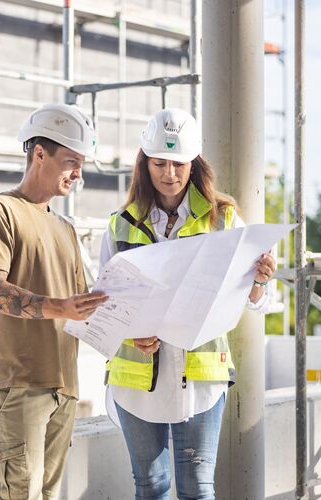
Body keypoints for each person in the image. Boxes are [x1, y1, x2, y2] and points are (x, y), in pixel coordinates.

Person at [99, 108, 276, 500]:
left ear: (194, 164)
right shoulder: (119, 225)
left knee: (198, 488)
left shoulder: (223, 220)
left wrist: (259, 283)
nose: (169, 173)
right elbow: (103, 304)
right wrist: (131, 333)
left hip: (201, 379)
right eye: (159, 163)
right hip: (136, 381)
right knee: (151, 487)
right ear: (144, 165)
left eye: (178, 164)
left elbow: (258, 302)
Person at [0, 103, 108, 500]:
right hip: (18, 382)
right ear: (39, 153)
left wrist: (131, 337)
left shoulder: (65, 227)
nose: (78, 174)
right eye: (70, 161)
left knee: (46, 496)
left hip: (63, 384)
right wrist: (58, 308)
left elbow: (81, 307)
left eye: (81, 163)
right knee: (22, 495)